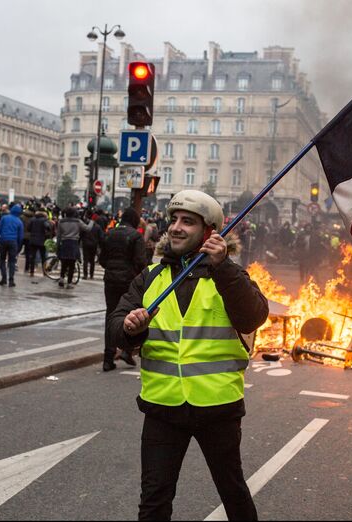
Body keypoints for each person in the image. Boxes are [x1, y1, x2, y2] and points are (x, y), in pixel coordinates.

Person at [108, 190, 269, 521]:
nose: (176, 228)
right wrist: (129, 327)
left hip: (217, 408)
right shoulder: (151, 278)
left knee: (233, 494)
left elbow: (253, 315)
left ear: (209, 233)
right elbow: (115, 326)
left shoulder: (227, 276)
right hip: (162, 408)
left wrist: (222, 267)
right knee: (153, 502)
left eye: (188, 222)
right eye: (174, 220)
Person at [99, 207, 148, 372]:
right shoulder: (135, 236)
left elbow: (102, 259)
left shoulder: (110, 233)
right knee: (130, 316)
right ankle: (127, 351)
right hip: (128, 280)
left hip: (110, 280)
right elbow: (141, 261)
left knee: (111, 315)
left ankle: (108, 357)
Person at [56, 207, 93, 289]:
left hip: (64, 243)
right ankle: (69, 283)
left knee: (64, 263)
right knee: (72, 264)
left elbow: (58, 235)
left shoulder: (61, 221)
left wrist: (58, 246)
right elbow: (87, 229)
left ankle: (61, 279)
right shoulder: (77, 221)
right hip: (73, 243)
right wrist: (91, 222)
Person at [0, 204, 24, 288]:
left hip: (3, 240)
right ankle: (11, 280)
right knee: (12, 261)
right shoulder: (19, 222)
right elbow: (21, 237)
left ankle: (3, 278)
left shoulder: (4, 218)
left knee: (2, 260)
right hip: (13, 242)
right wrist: (19, 248)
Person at [27, 207, 52, 277]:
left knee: (32, 257)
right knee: (43, 257)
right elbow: (48, 227)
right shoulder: (44, 220)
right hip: (42, 240)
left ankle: (32, 272)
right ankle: (44, 272)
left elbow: (28, 228)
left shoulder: (32, 219)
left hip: (33, 240)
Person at [80, 212, 105, 280]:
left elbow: (81, 235)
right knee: (92, 260)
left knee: (85, 260)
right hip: (94, 244)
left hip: (85, 244)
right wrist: (100, 246)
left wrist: (80, 242)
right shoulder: (98, 227)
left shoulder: (85, 226)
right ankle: (91, 275)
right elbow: (101, 237)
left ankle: (85, 275)